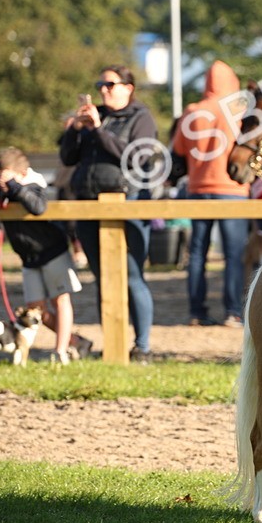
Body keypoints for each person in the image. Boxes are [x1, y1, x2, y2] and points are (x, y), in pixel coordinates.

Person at [59, 64, 157, 362]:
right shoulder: (92, 119)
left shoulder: (141, 118)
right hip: (89, 204)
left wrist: (98, 129)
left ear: (129, 88)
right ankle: (113, 345)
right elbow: (68, 157)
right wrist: (76, 130)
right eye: (100, 84)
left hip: (128, 204)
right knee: (103, 277)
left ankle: (142, 347)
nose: (104, 89)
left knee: (132, 275)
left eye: (110, 84)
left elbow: (133, 156)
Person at [0, 147, 93, 364]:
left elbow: (37, 206)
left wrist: (13, 187)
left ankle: (60, 351)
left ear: (21, 174)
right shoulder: (0, 185)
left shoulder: (34, 184)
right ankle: (76, 341)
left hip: (52, 253)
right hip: (28, 258)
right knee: (36, 310)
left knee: (61, 301)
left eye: (4, 176)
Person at [172, 60, 250, 328]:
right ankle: (233, 312)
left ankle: (196, 311)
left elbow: (179, 150)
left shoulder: (192, 111)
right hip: (232, 191)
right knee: (233, 255)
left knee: (197, 255)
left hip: (197, 189)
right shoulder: (238, 111)